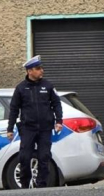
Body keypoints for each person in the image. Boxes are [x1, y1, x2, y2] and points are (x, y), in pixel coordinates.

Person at [7, 55, 63, 188]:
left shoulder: (48, 86)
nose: (41, 71)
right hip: (28, 128)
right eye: (38, 68)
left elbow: (56, 104)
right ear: (29, 71)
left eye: (41, 68)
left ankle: (42, 185)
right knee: (24, 158)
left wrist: (59, 121)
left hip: (45, 128)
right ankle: (25, 185)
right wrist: (10, 128)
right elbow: (14, 109)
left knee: (44, 157)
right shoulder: (20, 88)